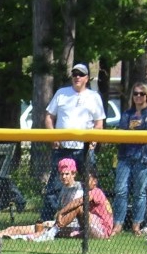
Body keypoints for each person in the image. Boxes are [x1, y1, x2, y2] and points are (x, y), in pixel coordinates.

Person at [42, 63, 104, 220]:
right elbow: (49, 116)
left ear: (87, 78)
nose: (77, 77)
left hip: (83, 149)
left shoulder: (94, 97)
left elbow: (99, 124)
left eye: (81, 74)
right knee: (55, 187)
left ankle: (94, 220)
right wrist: (53, 136)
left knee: (90, 186)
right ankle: (50, 221)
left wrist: (93, 141)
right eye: (75, 74)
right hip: (63, 148)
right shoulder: (62, 93)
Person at [114, 82, 147, 235]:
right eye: (135, 93)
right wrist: (138, 130)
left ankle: (136, 225)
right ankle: (118, 224)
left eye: (142, 94)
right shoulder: (127, 113)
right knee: (121, 190)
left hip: (145, 157)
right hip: (125, 156)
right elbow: (122, 131)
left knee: (139, 192)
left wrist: (133, 132)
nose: (138, 96)